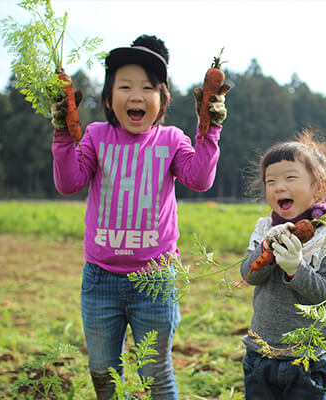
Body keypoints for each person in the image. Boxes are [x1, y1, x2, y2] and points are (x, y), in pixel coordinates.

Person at [50, 35, 230, 400]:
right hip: (101, 281)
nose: (136, 96)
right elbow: (69, 182)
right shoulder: (97, 137)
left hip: (156, 280)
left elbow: (199, 179)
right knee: (104, 373)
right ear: (108, 98)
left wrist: (209, 129)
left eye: (148, 88)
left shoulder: (171, 140)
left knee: (155, 374)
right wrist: (63, 133)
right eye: (125, 86)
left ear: (162, 99)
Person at [239, 130, 326, 399]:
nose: (278, 186)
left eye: (290, 178)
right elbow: (248, 275)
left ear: (318, 187)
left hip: (308, 360)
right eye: (271, 180)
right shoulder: (266, 229)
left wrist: (296, 268)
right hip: (261, 353)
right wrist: (266, 250)